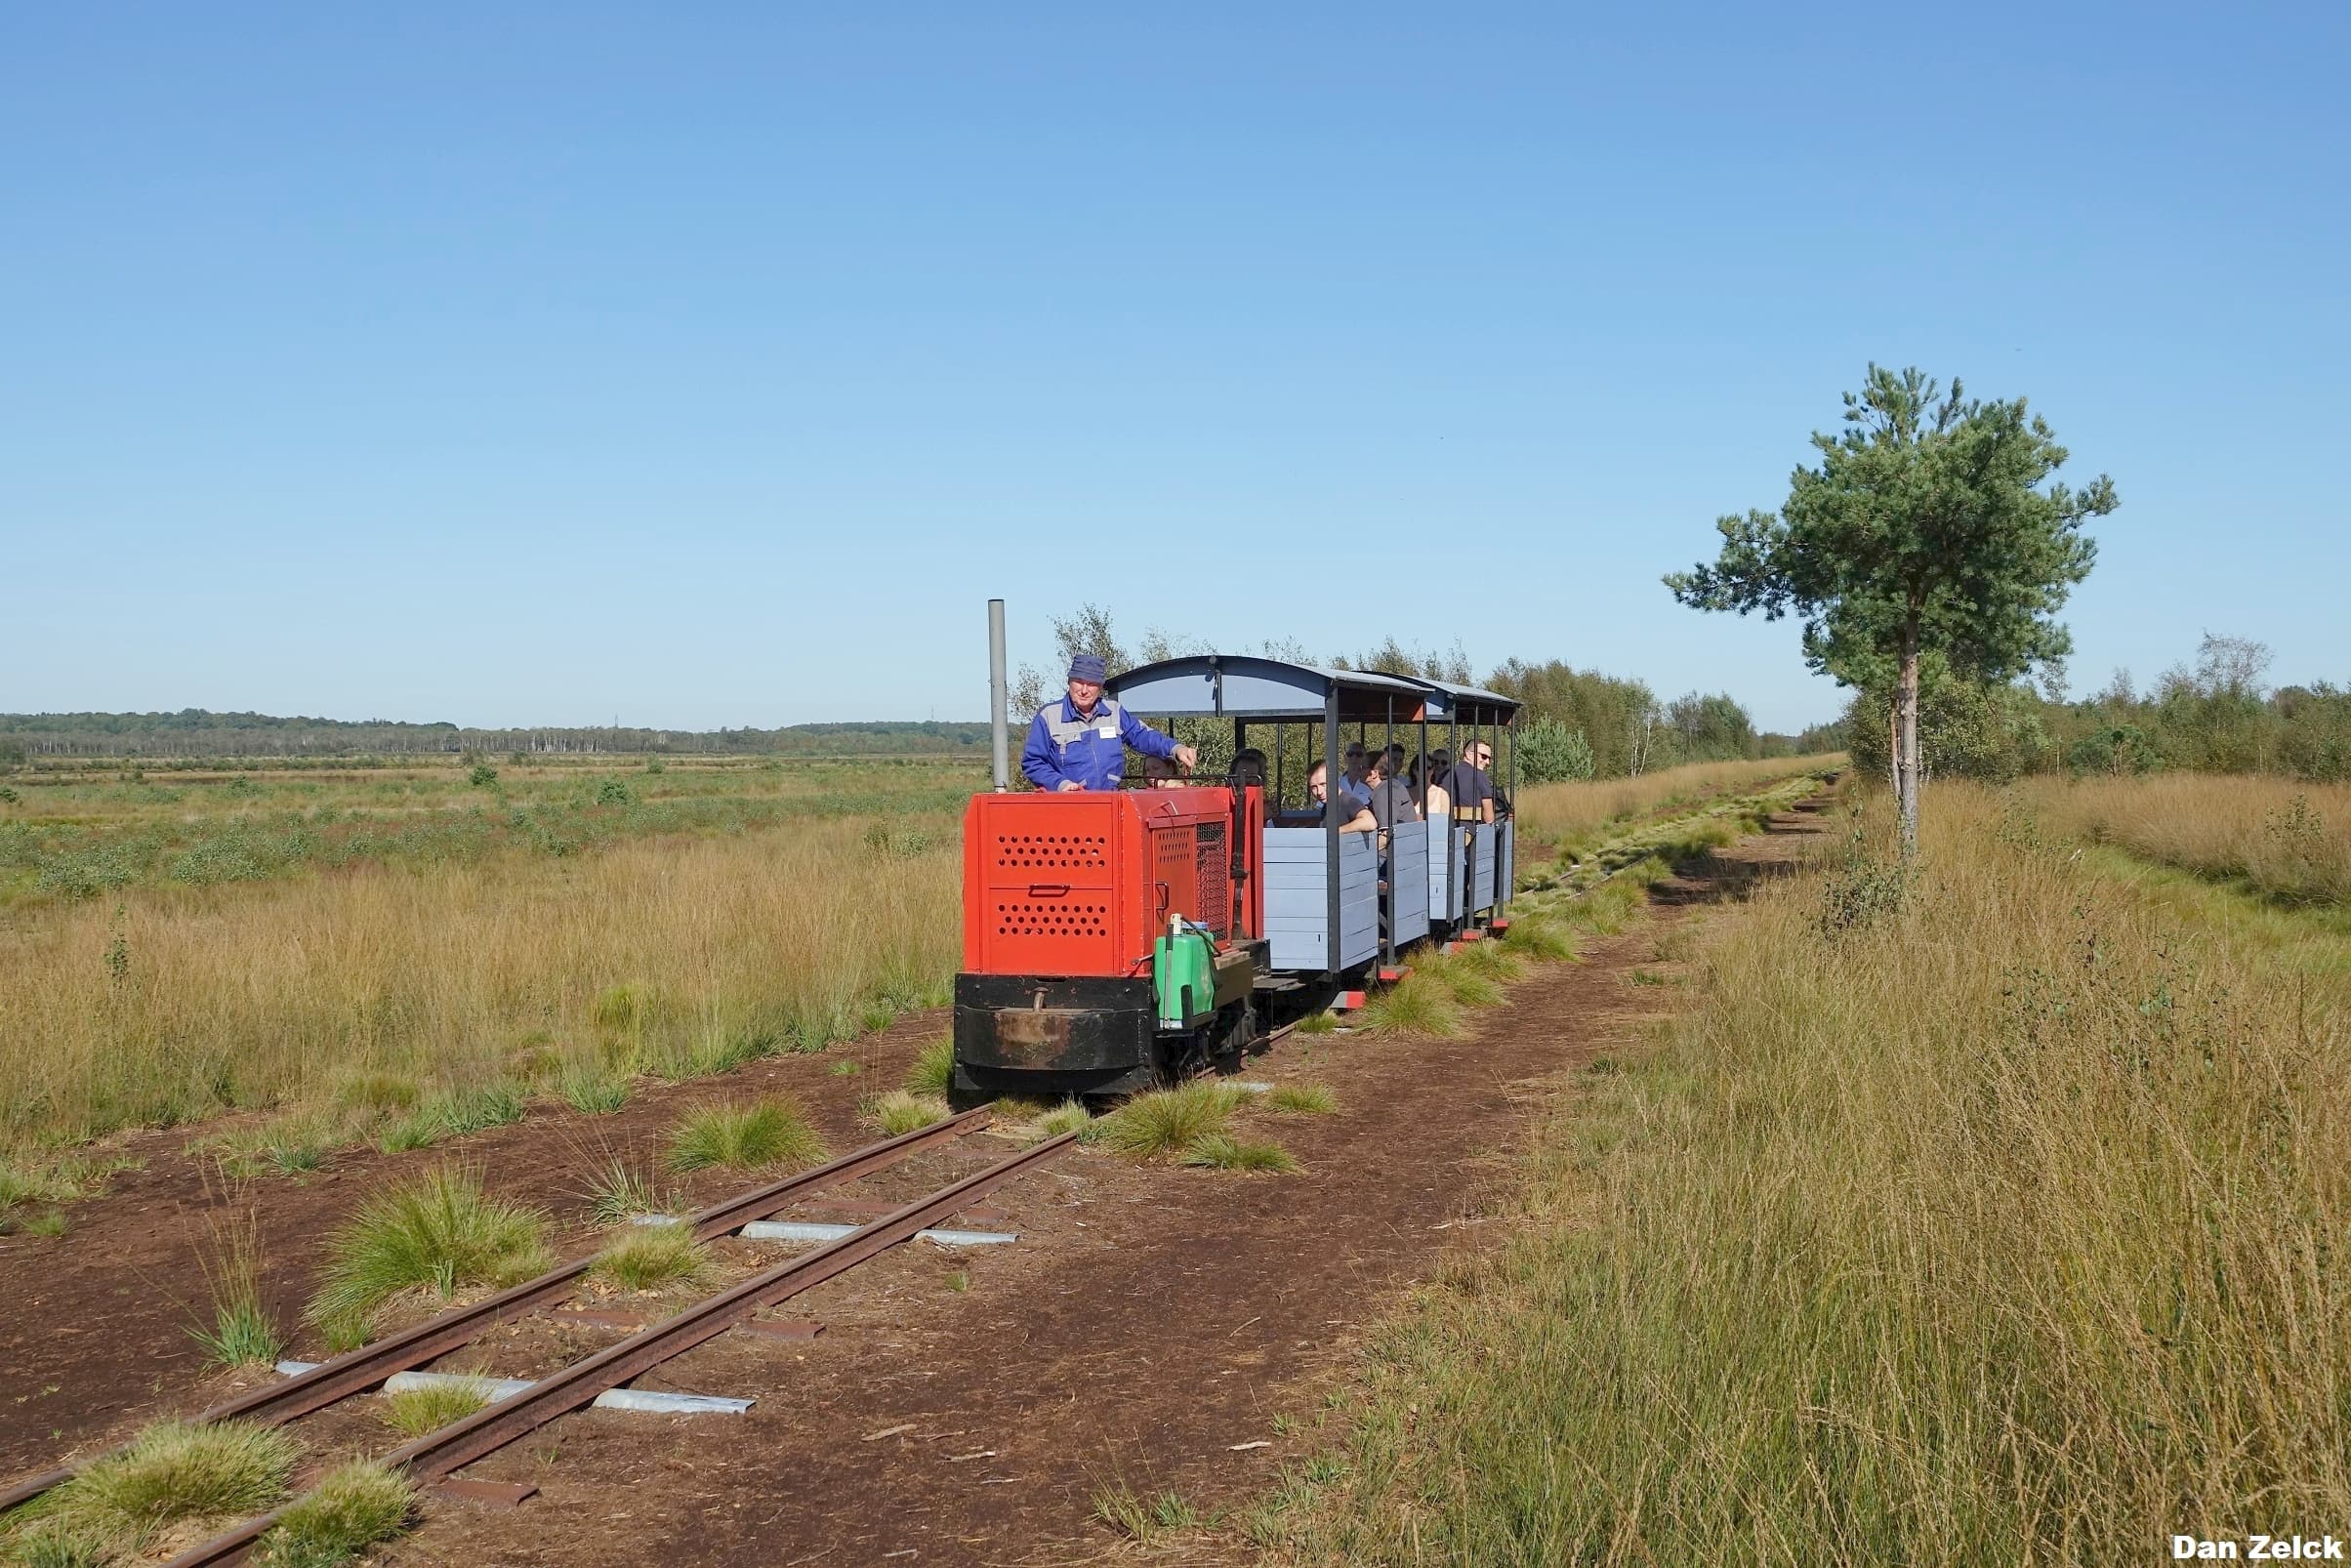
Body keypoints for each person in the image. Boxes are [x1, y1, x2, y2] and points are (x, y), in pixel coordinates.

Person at [1020, 655, 1195, 792]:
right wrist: (1059, 784)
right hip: (1069, 809)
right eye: (1079, 682)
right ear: (1069, 682)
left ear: (1100, 687)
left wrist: (1176, 749)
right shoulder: (1049, 716)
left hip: (1110, 804)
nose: (1083, 690)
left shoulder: (1114, 712)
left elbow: (1143, 736)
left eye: (1091, 684)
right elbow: (1033, 763)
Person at [1305, 761, 1376, 832]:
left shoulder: (1348, 802)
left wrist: (1336, 832)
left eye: (1323, 784)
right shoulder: (1326, 807)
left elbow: (1370, 822)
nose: (1319, 792)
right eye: (1314, 787)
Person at [1447, 740, 1497, 824]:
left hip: (1444, 829)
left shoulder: (1445, 774)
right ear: (1469, 754)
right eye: (1484, 756)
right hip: (1471, 832)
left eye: (1489, 758)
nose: (1487, 762)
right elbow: (1489, 819)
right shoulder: (1480, 776)